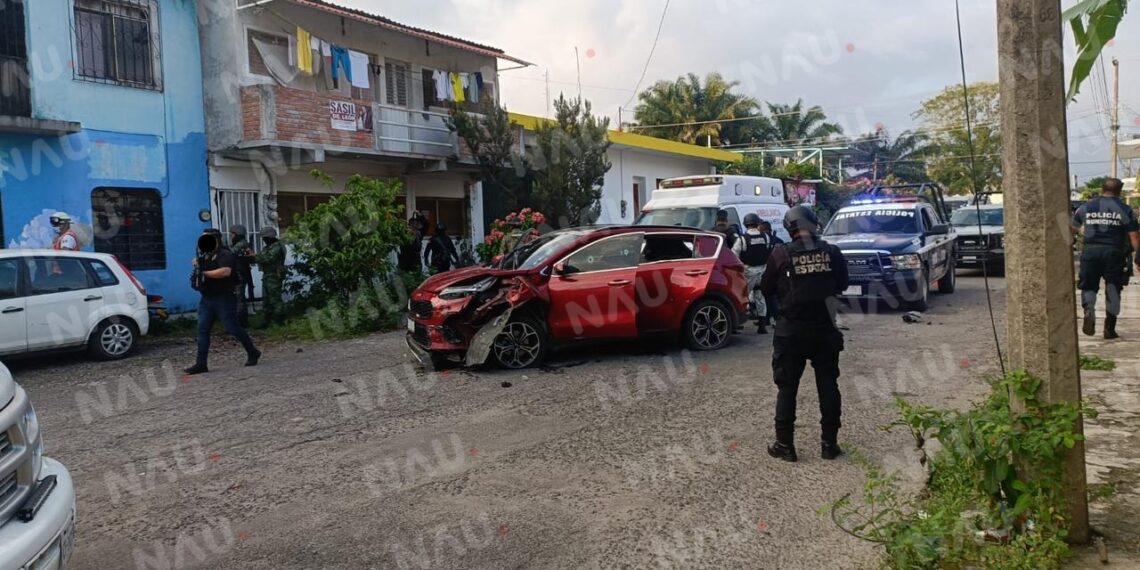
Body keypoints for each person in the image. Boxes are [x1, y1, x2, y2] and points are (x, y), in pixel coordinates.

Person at [760, 206, 848, 462]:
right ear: (814, 223)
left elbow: (765, 288)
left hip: (791, 332)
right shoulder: (832, 252)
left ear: (790, 228)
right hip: (825, 328)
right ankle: (829, 445)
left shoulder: (780, 253)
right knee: (828, 385)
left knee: (787, 388)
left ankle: (784, 445)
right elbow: (842, 283)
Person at [184, 229, 260, 375]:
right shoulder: (206, 256)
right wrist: (198, 267)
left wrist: (204, 273)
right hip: (207, 298)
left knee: (232, 328)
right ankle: (201, 364)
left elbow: (226, 271)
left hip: (224, 298)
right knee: (202, 330)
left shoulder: (225, 254)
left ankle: (253, 352)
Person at [1073, 177, 1140, 339]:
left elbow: (1072, 228)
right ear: (1119, 191)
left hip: (1090, 251)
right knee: (1113, 289)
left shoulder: (1085, 207)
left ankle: (1089, 309)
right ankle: (1109, 329)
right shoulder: (1125, 209)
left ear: (1102, 189)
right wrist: (1138, 258)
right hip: (1114, 253)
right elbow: (1134, 236)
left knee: (1088, 286)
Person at [733, 213, 778, 334]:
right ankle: (762, 326)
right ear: (757, 223)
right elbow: (770, 253)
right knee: (760, 297)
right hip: (763, 271)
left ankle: (735, 325)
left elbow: (734, 256)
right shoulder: (766, 237)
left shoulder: (742, 239)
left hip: (748, 272)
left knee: (741, 297)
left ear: (745, 224)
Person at [254, 226, 286, 328]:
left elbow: (268, 258)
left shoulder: (277, 247)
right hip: (267, 275)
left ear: (270, 237)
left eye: (265, 237)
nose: (264, 240)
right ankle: (266, 321)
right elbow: (262, 257)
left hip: (274, 275)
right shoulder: (268, 247)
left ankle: (279, 321)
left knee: (275, 298)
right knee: (266, 299)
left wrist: (254, 256)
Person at [229, 225, 254, 327]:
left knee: (239, 298)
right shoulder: (241, 243)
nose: (231, 236)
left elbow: (230, 253)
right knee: (239, 297)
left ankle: (241, 322)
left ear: (237, 234)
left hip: (240, 273)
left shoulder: (240, 244)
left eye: (232, 234)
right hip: (241, 272)